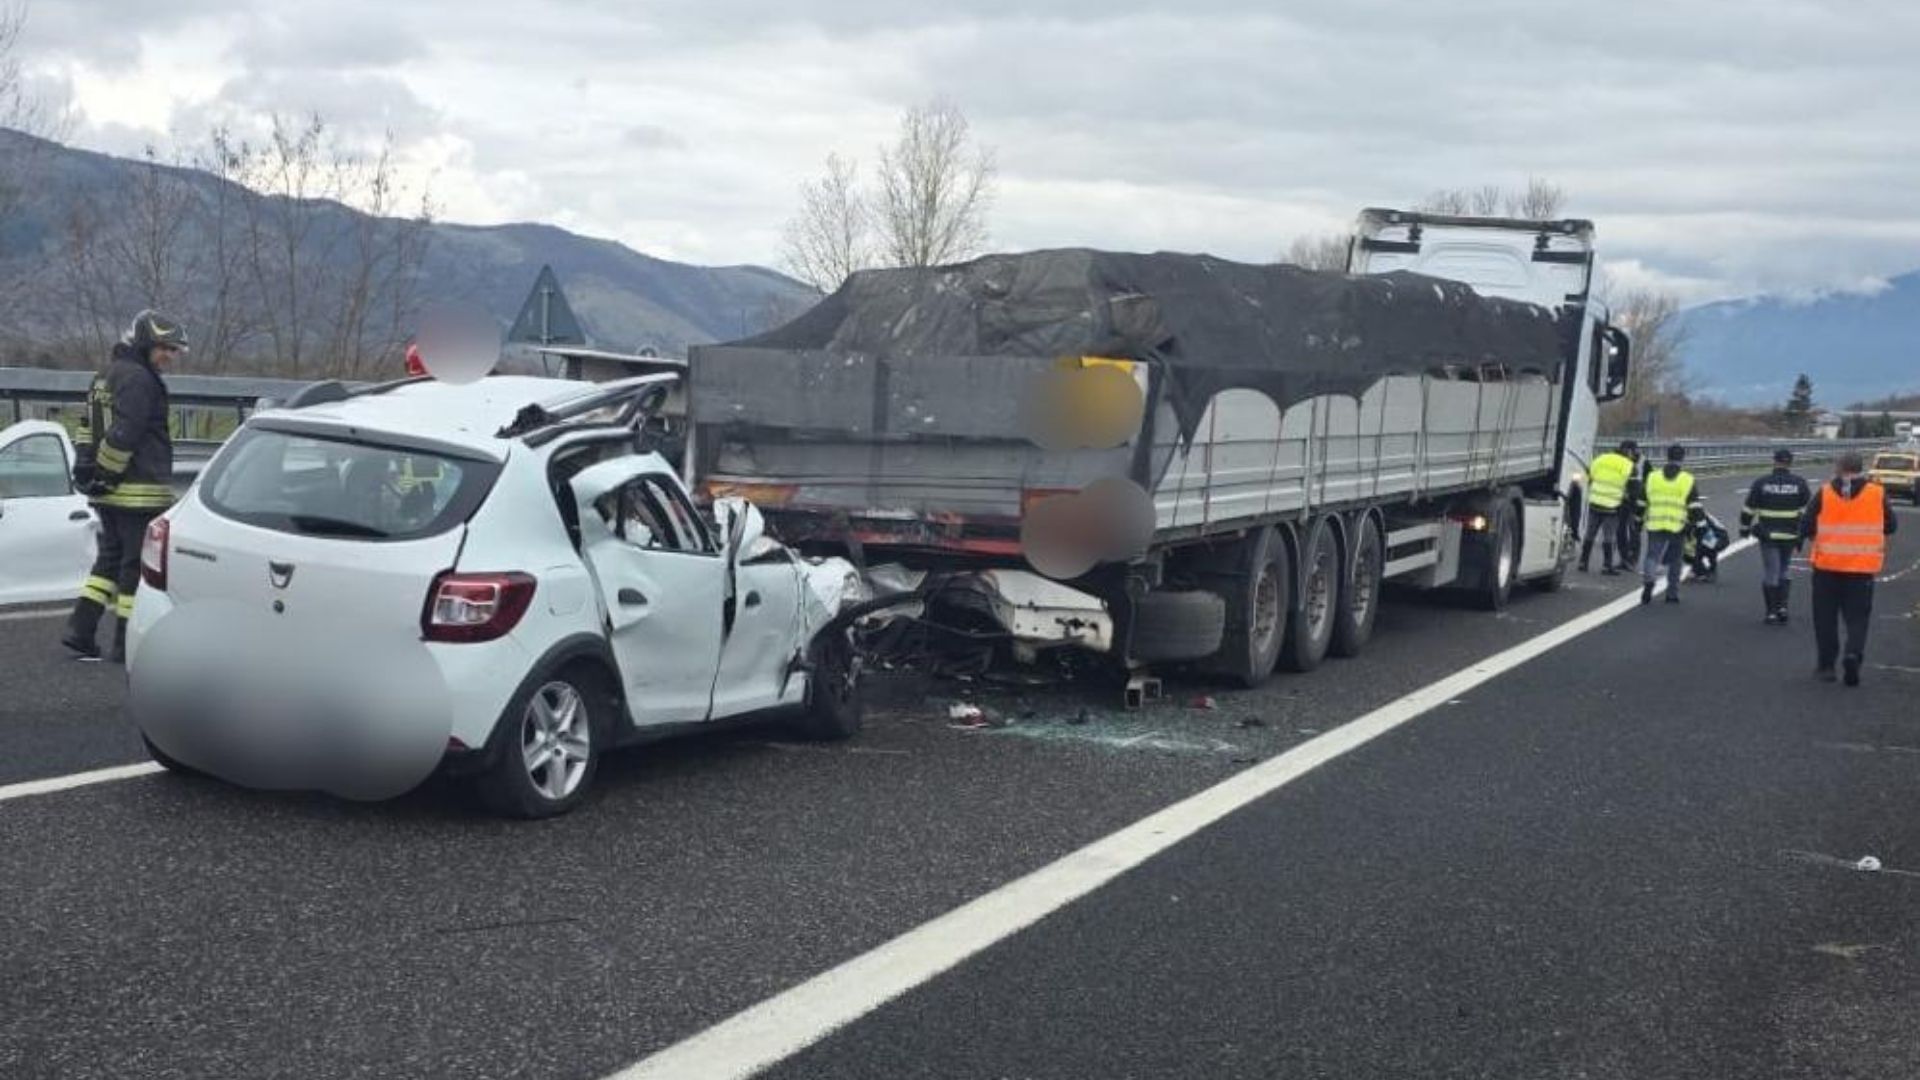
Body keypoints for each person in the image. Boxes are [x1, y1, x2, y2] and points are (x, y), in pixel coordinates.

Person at [61, 310, 188, 662]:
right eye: (164, 348)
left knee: (109, 560)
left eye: (173, 350)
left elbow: (87, 425)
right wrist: (108, 471)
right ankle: (125, 644)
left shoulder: (105, 375)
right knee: (135, 567)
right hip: (138, 489)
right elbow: (126, 432)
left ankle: (80, 630)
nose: (169, 356)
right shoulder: (140, 380)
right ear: (145, 343)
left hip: (108, 492)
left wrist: (87, 467)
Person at [1803, 451, 1897, 686]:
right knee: (1857, 619)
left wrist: (1815, 535)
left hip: (1827, 567)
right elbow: (1891, 525)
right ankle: (1853, 654)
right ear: (1860, 467)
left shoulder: (1825, 492)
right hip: (1861, 569)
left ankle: (1826, 667)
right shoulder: (1876, 493)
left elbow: (1806, 523)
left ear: (1839, 467)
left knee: (1825, 619)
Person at [1739, 448, 1812, 624]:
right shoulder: (1800, 483)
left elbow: (1748, 509)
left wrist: (1744, 529)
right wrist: (1802, 534)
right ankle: (1783, 608)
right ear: (1790, 462)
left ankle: (1771, 612)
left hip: (1768, 535)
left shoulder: (1762, 483)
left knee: (1771, 571)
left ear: (1774, 461)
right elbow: (1807, 511)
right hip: (1790, 535)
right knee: (1785, 569)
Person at [1636, 442, 1703, 606]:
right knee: (1675, 560)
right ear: (1682, 459)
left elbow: (1641, 502)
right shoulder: (1687, 479)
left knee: (1652, 556)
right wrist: (1698, 524)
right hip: (1677, 526)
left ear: (1667, 457)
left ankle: (1649, 583)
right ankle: (1672, 593)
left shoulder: (1652, 477)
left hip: (1655, 523)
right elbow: (1694, 505)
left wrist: (1638, 520)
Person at [1580, 438, 1638, 575]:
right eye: (1634, 452)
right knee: (1609, 536)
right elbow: (1634, 489)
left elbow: (1589, 476)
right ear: (1628, 451)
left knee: (1590, 533)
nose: (1634, 455)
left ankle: (1583, 562)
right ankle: (1607, 566)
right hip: (1612, 506)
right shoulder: (1629, 466)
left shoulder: (1601, 458)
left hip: (1595, 502)